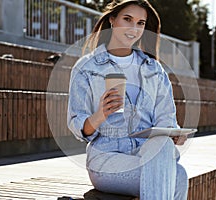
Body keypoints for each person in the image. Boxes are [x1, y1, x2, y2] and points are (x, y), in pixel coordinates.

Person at [67, 0, 188, 199]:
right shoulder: (87, 67)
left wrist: (173, 133)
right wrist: (100, 115)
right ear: (113, 20)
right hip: (107, 159)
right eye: (128, 19)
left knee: (173, 164)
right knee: (174, 176)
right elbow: (77, 126)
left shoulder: (154, 69)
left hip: (146, 153)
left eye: (140, 23)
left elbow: (166, 118)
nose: (134, 28)